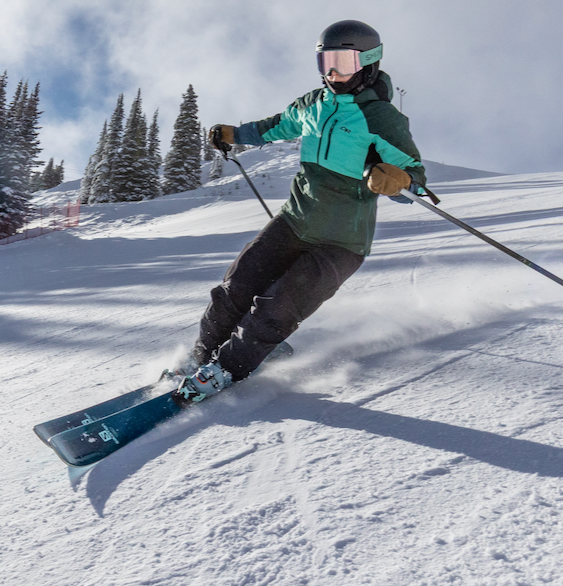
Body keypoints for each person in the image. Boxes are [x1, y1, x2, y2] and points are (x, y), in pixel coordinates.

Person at [174, 20, 428, 404]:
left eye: (343, 62)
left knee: (277, 306)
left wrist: (398, 180)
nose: (332, 73)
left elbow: (418, 182)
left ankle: (226, 369)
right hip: (294, 222)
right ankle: (200, 356)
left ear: (369, 62)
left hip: (341, 243)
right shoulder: (314, 104)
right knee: (235, 288)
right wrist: (234, 134)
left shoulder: (381, 119)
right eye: (325, 62)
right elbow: (274, 127)